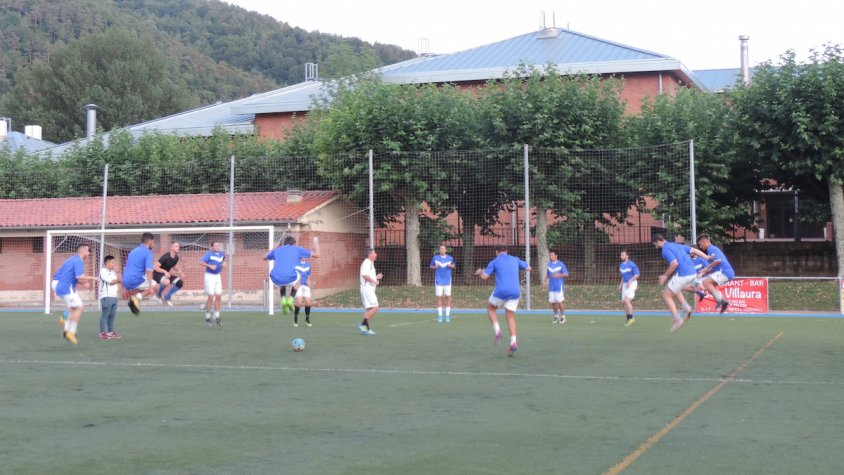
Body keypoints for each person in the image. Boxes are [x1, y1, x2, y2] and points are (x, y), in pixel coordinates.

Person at [475, 244, 531, 356]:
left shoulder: (495, 261)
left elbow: (484, 277)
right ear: (507, 251)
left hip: (501, 291)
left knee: (491, 308)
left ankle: (497, 330)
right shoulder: (515, 259)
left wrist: (480, 271)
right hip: (515, 292)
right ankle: (513, 342)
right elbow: (529, 268)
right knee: (510, 317)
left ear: (496, 252)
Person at [652, 234, 709, 333]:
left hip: (684, 274)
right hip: (692, 273)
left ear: (658, 241)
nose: (655, 246)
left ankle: (677, 319)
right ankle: (686, 307)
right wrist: (707, 257)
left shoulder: (665, 249)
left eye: (655, 244)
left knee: (666, 295)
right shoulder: (676, 245)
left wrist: (665, 276)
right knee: (675, 288)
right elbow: (694, 251)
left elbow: (674, 263)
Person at [52, 243, 97, 345]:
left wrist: (82, 282)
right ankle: (70, 331)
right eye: (88, 251)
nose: (89, 253)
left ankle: (67, 328)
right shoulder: (78, 261)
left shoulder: (73, 259)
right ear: (82, 251)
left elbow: (73, 276)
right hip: (64, 286)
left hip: (62, 285)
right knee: (79, 308)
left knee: (73, 308)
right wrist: (95, 278)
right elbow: (78, 276)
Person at [265, 235, 320, 315]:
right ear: (294, 244)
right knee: (299, 277)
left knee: (281, 281)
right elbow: (317, 255)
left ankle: (283, 299)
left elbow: (265, 257)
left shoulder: (278, 250)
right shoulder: (297, 249)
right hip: (292, 278)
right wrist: (316, 242)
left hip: (275, 277)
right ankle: (290, 299)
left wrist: (274, 247)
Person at [696, 234, 736, 314]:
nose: (700, 247)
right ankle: (722, 302)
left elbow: (718, 261)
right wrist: (704, 272)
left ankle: (721, 301)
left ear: (705, 242)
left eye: (700, 244)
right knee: (709, 285)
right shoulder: (711, 250)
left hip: (725, 272)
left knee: (706, 282)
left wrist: (705, 269)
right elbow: (714, 267)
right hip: (725, 272)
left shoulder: (711, 249)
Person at [123, 232, 158, 315]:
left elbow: (126, 267)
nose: (153, 244)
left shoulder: (132, 251)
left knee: (142, 286)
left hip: (126, 280)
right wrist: (150, 287)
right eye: (153, 242)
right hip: (136, 279)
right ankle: (135, 299)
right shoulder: (148, 252)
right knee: (155, 286)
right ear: (149, 241)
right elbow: (149, 270)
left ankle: (135, 300)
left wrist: (124, 287)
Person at [199, 240, 226, 327]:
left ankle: (217, 316)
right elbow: (200, 262)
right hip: (209, 276)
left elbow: (224, 259)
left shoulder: (221, 253)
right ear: (212, 247)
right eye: (215, 246)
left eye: (218, 245)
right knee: (211, 296)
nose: (217, 247)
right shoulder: (209, 254)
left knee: (218, 296)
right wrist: (210, 266)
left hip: (218, 276)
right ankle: (207, 315)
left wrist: (224, 263)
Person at [358, 248, 383, 335]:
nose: (376, 254)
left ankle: (366, 329)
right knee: (375, 307)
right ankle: (363, 324)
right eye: (374, 253)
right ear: (370, 255)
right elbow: (364, 276)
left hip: (368, 288)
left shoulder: (369, 263)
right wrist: (374, 281)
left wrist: (376, 277)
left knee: (369, 309)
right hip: (367, 288)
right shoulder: (367, 263)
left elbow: (368, 276)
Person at [429, 245, 455, 323]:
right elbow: (431, 266)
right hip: (438, 281)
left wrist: (451, 266)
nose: (442, 250)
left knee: (448, 297)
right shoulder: (435, 258)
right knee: (439, 298)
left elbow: (453, 265)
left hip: (447, 281)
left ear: (445, 250)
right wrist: (434, 267)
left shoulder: (450, 258)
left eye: (443, 249)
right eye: (441, 249)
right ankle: (440, 315)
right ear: (439, 250)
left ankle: (447, 315)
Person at [98, 255, 121, 340]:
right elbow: (111, 282)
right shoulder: (103, 271)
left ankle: (110, 332)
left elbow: (120, 280)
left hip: (114, 296)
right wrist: (118, 279)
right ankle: (102, 333)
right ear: (107, 262)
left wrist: (118, 272)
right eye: (113, 262)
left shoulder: (113, 272)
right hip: (106, 296)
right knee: (105, 315)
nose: (114, 264)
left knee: (112, 315)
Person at [153, 242, 183, 306]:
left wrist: (179, 271)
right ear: (171, 248)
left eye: (178, 246)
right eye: (176, 246)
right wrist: (164, 271)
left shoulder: (176, 258)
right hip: (156, 274)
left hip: (166, 274)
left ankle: (167, 297)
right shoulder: (165, 256)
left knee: (180, 283)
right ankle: (158, 294)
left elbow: (173, 265)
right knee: (167, 281)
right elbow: (155, 266)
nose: (178, 248)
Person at [544, 251, 569, 324]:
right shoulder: (549, 264)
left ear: (556, 256)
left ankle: (563, 317)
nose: (551, 257)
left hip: (558, 286)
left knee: (559, 301)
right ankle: (556, 316)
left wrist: (559, 275)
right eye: (550, 255)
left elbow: (566, 274)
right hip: (551, 286)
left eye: (552, 255)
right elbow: (548, 274)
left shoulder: (561, 264)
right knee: (552, 301)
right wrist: (546, 281)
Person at [618, 250, 640, 326]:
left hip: (632, 283)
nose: (621, 257)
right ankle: (628, 318)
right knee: (624, 302)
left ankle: (631, 318)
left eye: (623, 255)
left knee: (627, 301)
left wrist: (630, 281)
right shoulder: (621, 265)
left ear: (627, 256)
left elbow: (637, 275)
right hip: (625, 284)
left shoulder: (632, 265)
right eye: (621, 255)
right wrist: (620, 285)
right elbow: (623, 276)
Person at [293, 258, 314, 327]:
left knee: (308, 303)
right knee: (298, 303)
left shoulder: (308, 265)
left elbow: (309, 274)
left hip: (306, 286)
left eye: (305, 256)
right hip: (298, 285)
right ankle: (295, 318)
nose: (304, 257)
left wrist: (309, 281)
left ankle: (307, 318)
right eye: (303, 256)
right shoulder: (295, 264)